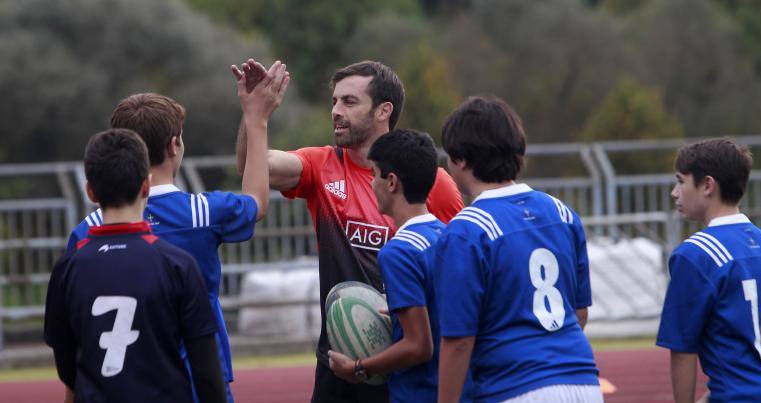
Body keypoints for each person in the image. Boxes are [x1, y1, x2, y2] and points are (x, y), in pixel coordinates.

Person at [237, 60, 464, 403]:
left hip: (406, 365)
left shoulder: (432, 182)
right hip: (339, 360)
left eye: (349, 102)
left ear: (383, 111)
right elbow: (252, 169)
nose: (336, 111)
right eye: (334, 102)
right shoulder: (320, 165)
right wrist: (254, 114)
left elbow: (460, 265)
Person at [64, 60, 290, 402]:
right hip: (195, 382)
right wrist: (256, 118)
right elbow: (256, 201)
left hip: (114, 386)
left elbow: (71, 337)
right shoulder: (202, 214)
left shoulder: (86, 233)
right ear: (174, 145)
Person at [435, 96, 601, 403]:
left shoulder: (466, 230)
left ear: (459, 159)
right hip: (583, 381)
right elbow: (578, 313)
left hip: (514, 385)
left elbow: (458, 341)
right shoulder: (562, 213)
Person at [44, 128, 226, 403]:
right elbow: (207, 373)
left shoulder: (68, 267)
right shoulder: (177, 264)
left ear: (90, 191)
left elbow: (67, 364)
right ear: (146, 186)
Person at [327, 129, 473, 402]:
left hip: (420, 393)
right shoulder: (449, 235)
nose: (371, 184)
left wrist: (358, 368)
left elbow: (419, 346)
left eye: (373, 174)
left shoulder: (398, 252)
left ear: (391, 182)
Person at [656, 138, 761, 403]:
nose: (674, 192)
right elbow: (746, 341)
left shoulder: (695, 254)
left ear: (708, 185)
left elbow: (682, 349)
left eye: (681, 181)